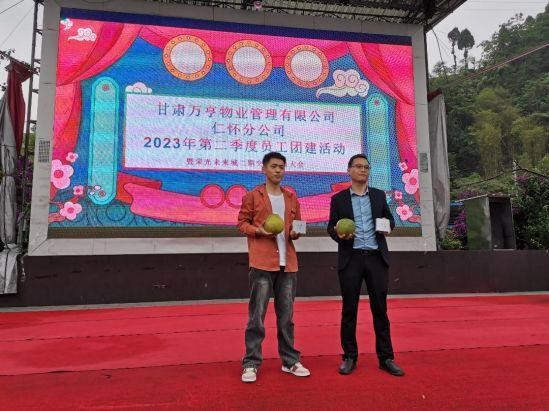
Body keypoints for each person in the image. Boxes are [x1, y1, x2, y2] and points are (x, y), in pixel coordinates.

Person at [327, 154, 404, 377]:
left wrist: (387, 226)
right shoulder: (339, 199)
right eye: (358, 166)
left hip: (376, 258)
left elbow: (391, 220)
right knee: (349, 310)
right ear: (349, 170)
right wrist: (339, 235)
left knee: (380, 309)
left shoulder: (379, 196)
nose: (363, 170)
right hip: (350, 258)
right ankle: (349, 356)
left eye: (366, 167)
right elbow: (331, 227)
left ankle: (386, 358)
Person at [237, 152, 310, 383]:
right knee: (256, 317)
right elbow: (242, 223)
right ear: (264, 169)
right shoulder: (252, 196)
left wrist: (296, 233)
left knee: (286, 317)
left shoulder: (291, 197)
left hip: (288, 264)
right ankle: (251, 363)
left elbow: (297, 226)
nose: (278, 170)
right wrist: (258, 231)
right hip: (261, 262)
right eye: (274, 166)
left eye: (281, 167)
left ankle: (290, 360)